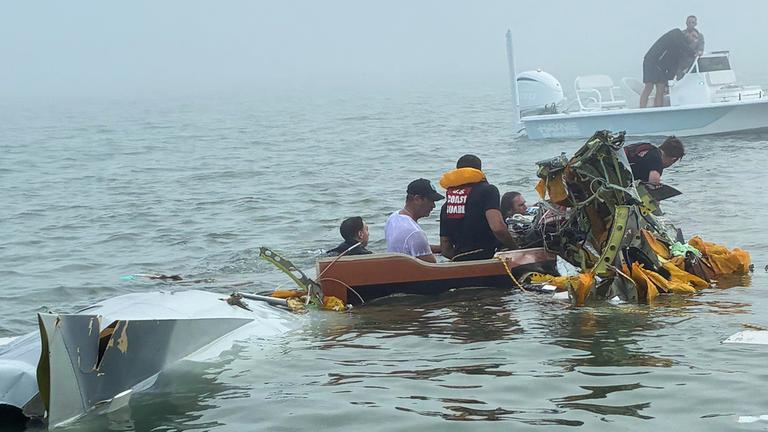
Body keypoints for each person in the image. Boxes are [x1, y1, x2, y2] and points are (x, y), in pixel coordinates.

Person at [439, 154, 520, 261]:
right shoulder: (488, 191)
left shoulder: (448, 203)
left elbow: (445, 248)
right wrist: (515, 249)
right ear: (479, 171)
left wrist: (462, 260)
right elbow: (498, 228)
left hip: (459, 260)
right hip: (487, 256)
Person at [384, 178, 444, 263]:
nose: (433, 206)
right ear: (417, 199)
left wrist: (441, 248)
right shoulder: (415, 232)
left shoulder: (393, 218)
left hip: (395, 269)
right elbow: (433, 267)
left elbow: (412, 246)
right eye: (431, 201)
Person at [640, 28, 698, 108]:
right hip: (651, 61)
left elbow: (674, 66)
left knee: (661, 88)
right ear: (687, 33)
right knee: (649, 87)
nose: (693, 39)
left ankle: (658, 111)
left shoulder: (683, 50)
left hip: (662, 67)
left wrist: (668, 82)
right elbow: (680, 43)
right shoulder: (676, 33)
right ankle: (642, 110)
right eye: (692, 35)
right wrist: (693, 53)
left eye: (695, 38)